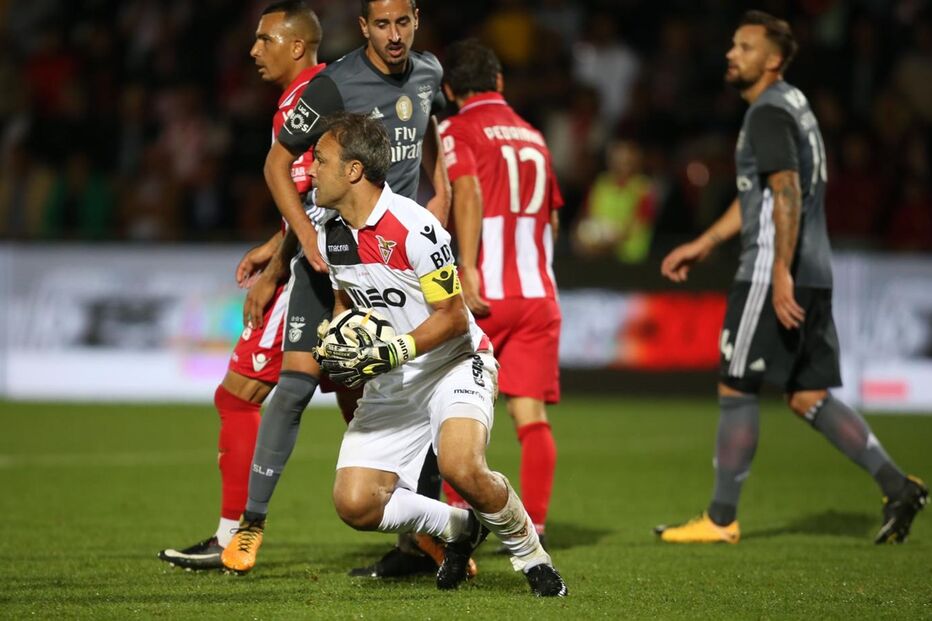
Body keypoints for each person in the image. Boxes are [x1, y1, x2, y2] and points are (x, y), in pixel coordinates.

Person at [654, 11, 927, 544]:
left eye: (745, 47)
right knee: (807, 395)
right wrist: (706, 242)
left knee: (736, 383)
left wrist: (778, 270)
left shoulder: (767, 113)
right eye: (732, 45)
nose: (732, 54)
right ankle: (898, 486)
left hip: (772, 270)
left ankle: (720, 518)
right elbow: (761, 193)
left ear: (773, 59)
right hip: (815, 270)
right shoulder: (795, 106)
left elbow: (785, 191)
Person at [221, 0, 452, 577]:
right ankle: (250, 526)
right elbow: (278, 166)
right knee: (293, 385)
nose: (394, 36)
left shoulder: (429, 74)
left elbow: (435, 151)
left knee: (413, 399)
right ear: (364, 27)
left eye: (403, 23)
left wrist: (438, 213)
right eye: (382, 24)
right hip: (330, 258)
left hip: (395, 266)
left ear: (416, 21)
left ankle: (423, 541)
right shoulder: (333, 85)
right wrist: (298, 242)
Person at [313, 112, 568, 597]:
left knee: (460, 466)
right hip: (394, 377)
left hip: (454, 361)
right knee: (356, 504)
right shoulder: (332, 231)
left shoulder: (416, 228)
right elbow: (348, 295)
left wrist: (395, 348)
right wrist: (339, 330)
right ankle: (458, 526)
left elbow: (452, 316)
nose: (310, 168)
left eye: (321, 160)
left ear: (352, 171)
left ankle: (531, 555)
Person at [157, 0, 328, 570]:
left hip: (314, 276)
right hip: (336, 267)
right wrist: (274, 243)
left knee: (238, 394)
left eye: (265, 40)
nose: (253, 50)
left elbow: (315, 206)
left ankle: (233, 534)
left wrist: (278, 268)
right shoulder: (322, 92)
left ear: (297, 45)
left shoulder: (306, 101)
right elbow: (311, 203)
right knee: (371, 407)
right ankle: (436, 528)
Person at [436, 39, 562, 546]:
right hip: (538, 293)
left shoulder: (456, 127)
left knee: (452, 409)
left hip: (483, 291)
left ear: (449, 90)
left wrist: (465, 266)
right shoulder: (534, 136)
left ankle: (456, 530)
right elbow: (552, 212)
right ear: (500, 82)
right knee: (531, 418)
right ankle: (533, 532)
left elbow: (466, 190)